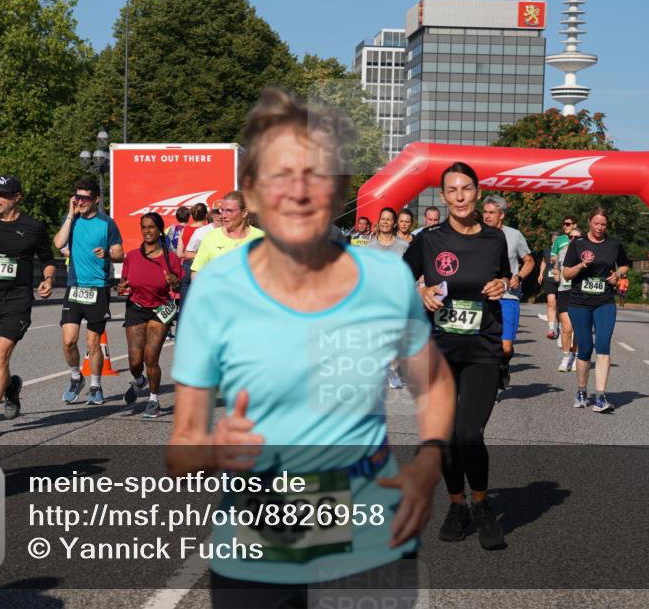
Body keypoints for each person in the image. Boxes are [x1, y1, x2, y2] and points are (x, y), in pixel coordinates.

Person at [165, 88, 455, 607]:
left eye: (316, 174)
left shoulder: (386, 278)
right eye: (280, 174)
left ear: (340, 187)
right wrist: (214, 448)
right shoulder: (216, 289)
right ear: (251, 193)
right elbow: (181, 450)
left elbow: (432, 381)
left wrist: (429, 460)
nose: (298, 192)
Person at [404, 162, 510, 550]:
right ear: (443, 196)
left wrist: (503, 283)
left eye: (466, 188)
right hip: (439, 351)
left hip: (482, 348)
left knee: (468, 433)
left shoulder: (495, 239)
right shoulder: (429, 239)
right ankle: (456, 505)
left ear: (477, 193)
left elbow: (504, 278)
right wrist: (419, 292)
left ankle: (481, 504)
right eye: (452, 190)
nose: (460, 196)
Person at [0, 175, 57, 437]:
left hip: (18, 299)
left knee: (1, 356)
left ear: (17, 197)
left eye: (2, 194)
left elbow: (47, 259)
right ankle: (12, 388)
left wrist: (48, 278)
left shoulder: (33, 227)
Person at [53, 177, 123, 406]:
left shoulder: (107, 223)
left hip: (98, 288)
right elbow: (58, 243)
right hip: (75, 286)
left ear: (96, 199)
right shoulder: (70, 220)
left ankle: (95, 384)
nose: (80, 201)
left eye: (85, 198)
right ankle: (76, 378)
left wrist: (108, 254)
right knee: (68, 341)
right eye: (77, 197)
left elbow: (119, 253)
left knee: (93, 343)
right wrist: (71, 215)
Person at [562, 208, 630, 412]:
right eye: (596, 223)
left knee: (603, 345)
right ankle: (582, 391)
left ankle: (600, 396)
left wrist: (617, 273)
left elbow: (625, 264)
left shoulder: (614, 244)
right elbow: (566, 273)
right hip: (579, 303)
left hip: (605, 302)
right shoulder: (578, 244)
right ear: (589, 222)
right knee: (585, 348)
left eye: (603, 224)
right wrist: (581, 265)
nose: (600, 228)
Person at [118, 213, 183, 417]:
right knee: (135, 361)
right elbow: (124, 282)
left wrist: (173, 281)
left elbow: (179, 283)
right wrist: (121, 287)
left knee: (150, 357)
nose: (147, 231)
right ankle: (139, 381)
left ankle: (154, 400)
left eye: (151, 227)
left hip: (160, 310)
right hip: (136, 309)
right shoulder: (132, 256)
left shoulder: (170, 258)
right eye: (143, 227)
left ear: (159, 230)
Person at [481, 195, 534, 397]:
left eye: (491, 213)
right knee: (484, 344)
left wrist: (519, 276)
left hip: (508, 296)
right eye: (485, 212)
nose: (487, 216)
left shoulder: (514, 235)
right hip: (483, 296)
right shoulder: (476, 233)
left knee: (506, 347)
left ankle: (503, 367)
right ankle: (489, 386)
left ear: (501, 215)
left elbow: (529, 260)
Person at [190, 191, 265, 278]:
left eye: (229, 211)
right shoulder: (211, 237)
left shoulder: (261, 238)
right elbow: (196, 271)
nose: (223, 216)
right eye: (222, 210)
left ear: (244, 213)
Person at [555, 228, 583, 372]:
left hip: (579, 293)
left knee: (577, 328)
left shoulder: (586, 254)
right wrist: (556, 273)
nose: (572, 240)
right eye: (570, 237)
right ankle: (566, 357)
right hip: (564, 291)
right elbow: (556, 268)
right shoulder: (562, 252)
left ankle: (575, 355)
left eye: (576, 238)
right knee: (567, 328)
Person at [551, 215, 578, 348]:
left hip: (577, 283)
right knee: (562, 310)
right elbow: (553, 257)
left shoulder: (579, 238)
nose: (565, 226)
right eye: (564, 224)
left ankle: (572, 336)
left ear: (574, 224)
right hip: (563, 279)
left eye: (568, 224)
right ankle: (563, 330)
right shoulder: (560, 240)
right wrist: (559, 266)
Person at [177, 202, 208, 307]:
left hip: (186, 266)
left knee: (184, 303)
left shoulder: (185, 230)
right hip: (201, 267)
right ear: (206, 215)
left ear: (192, 215)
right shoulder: (208, 231)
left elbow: (179, 253)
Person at [538, 231, 561, 340]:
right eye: (554, 238)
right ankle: (551, 329)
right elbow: (543, 261)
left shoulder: (565, 250)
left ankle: (560, 328)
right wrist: (540, 274)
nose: (555, 240)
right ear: (551, 239)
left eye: (558, 239)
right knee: (551, 302)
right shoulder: (546, 250)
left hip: (562, 280)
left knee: (561, 306)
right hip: (549, 279)